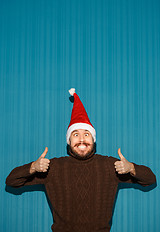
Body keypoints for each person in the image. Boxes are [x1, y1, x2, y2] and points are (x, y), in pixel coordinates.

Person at [6, 88, 156, 232]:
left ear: (93, 139)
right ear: (69, 141)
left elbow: (150, 179)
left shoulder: (110, 166)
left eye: (87, 134)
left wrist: (131, 168)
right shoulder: (53, 167)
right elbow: (11, 182)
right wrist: (32, 167)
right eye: (76, 134)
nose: (82, 139)